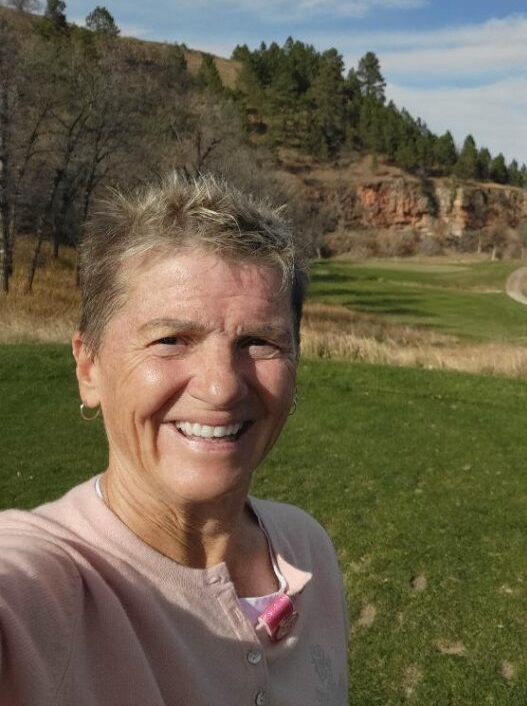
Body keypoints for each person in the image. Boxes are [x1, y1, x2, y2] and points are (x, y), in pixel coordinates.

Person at [0, 174, 349, 704]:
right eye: (171, 340)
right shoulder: (48, 585)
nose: (221, 386)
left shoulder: (305, 546)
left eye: (259, 341)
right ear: (89, 367)